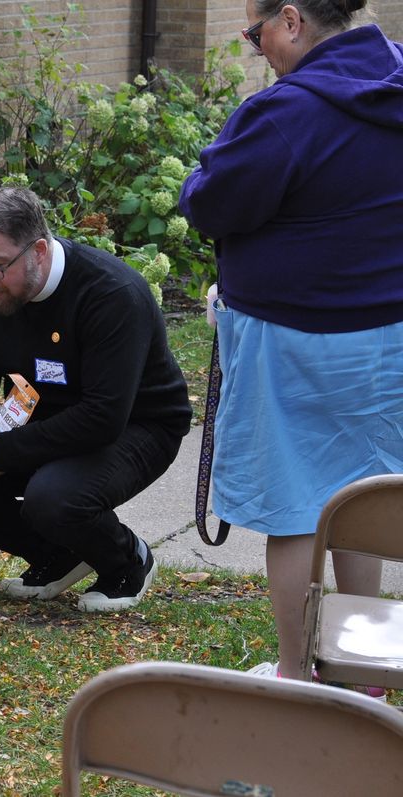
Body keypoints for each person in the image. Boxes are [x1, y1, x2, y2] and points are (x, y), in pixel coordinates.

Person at [179, 0, 403, 685]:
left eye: (257, 34)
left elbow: (209, 202)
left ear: (292, 18)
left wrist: (200, 173)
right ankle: (362, 662)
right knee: (364, 496)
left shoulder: (285, 112)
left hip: (294, 343)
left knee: (298, 506)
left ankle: (296, 670)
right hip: (389, 337)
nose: (257, 49)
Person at [0, 187, 192, 612]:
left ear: (39, 251)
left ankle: (126, 561)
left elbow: (103, 416)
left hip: (138, 425)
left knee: (54, 499)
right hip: (44, 415)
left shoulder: (112, 294)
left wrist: (4, 450)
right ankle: (57, 554)